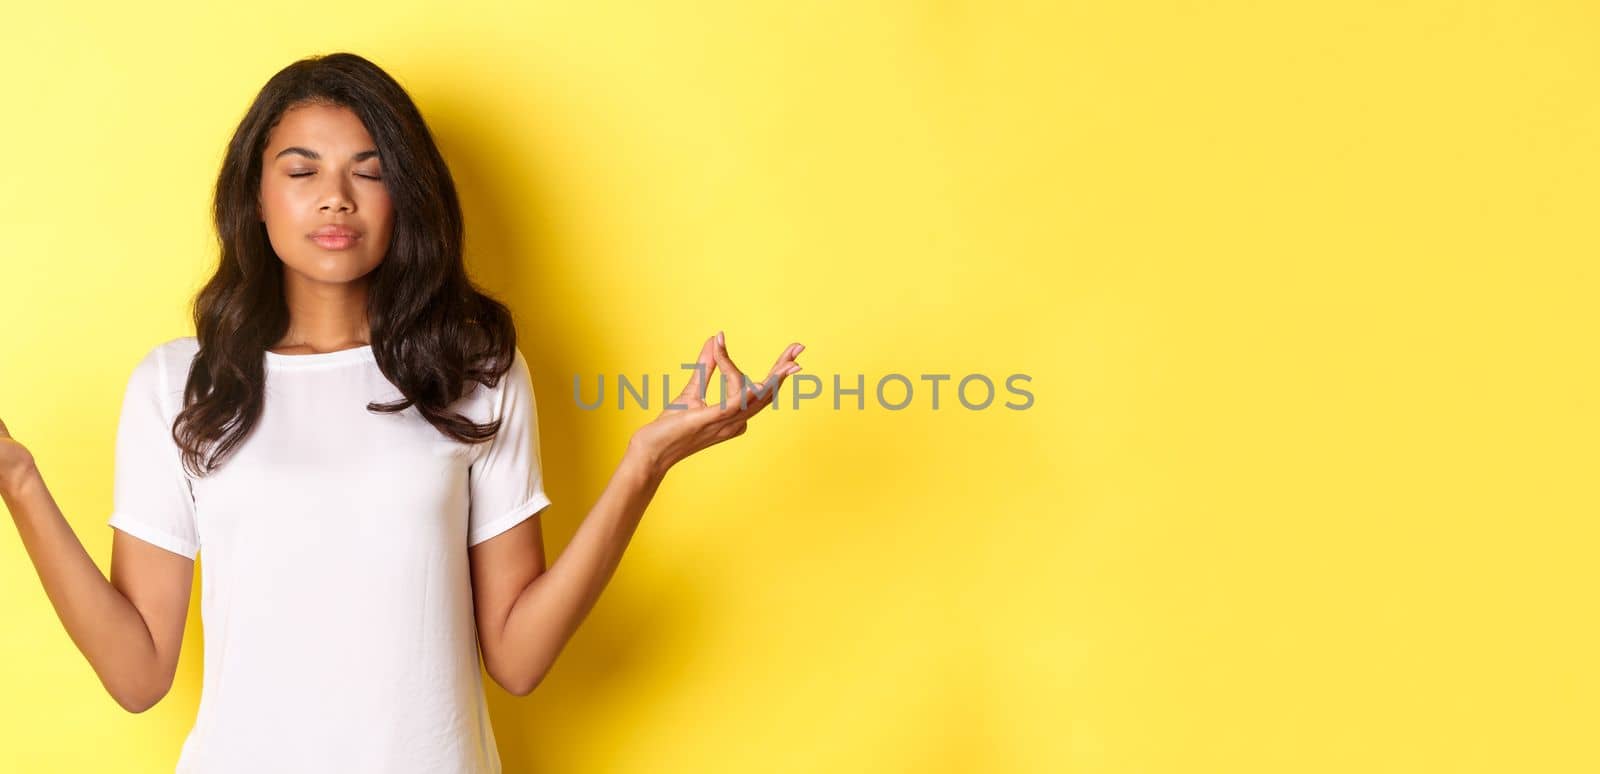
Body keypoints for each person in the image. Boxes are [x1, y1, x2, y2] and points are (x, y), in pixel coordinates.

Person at [0, 52, 803, 774]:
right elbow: (138, 675)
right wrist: (20, 481)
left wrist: (644, 467)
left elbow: (519, 659)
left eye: (370, 171)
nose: (336, 200)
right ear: (256, 195)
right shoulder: (180, 385)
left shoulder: (474, 371)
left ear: (405, 196)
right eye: (302, 171)